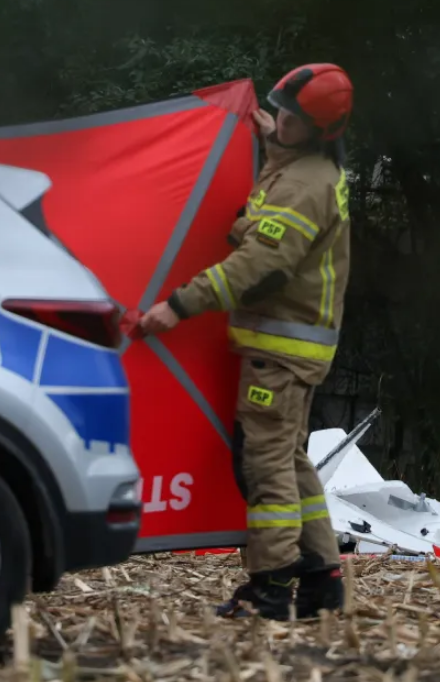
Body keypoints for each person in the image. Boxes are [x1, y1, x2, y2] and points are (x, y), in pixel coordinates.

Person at [140, 63, 354, 620]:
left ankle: (272, 585)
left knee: (263, 465)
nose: (280, 119)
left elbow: (259, 266)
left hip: (279, 352)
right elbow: (282, 185)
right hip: (293, 349)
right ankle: (323, 580)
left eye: (291, 117)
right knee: (291, 460)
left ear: (317, 130)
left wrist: (177, 305)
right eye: (279, 109)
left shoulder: (304, 188)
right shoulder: (310, 169)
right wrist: (267, 134)